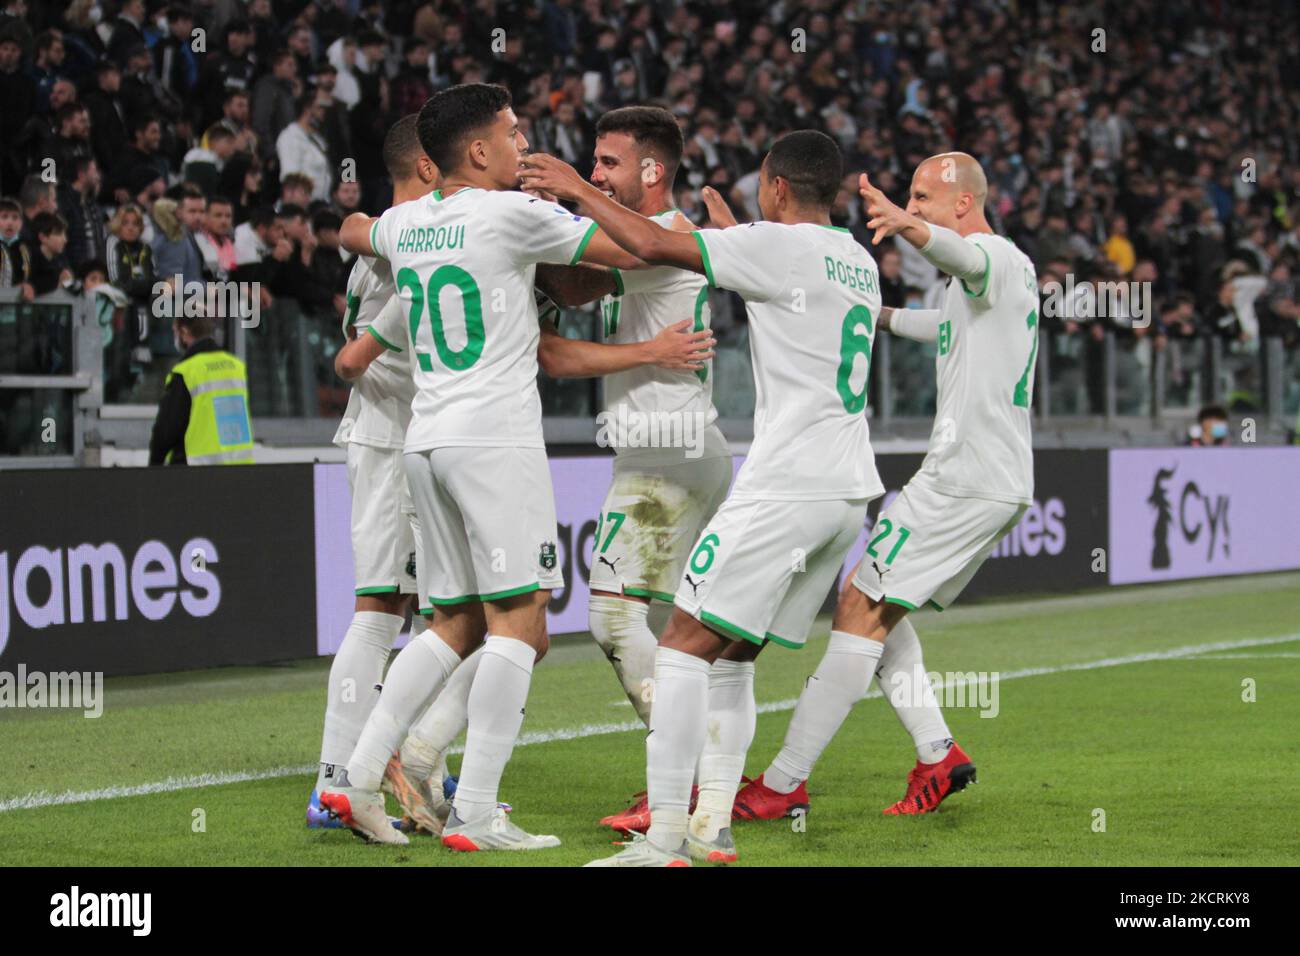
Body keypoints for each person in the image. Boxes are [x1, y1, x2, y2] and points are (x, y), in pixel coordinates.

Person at [521, 129, 885, 866]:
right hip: (849, 490)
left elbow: (656, 248)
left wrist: (575, 188)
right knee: (729, 659)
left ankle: (662, 840)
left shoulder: (773, 245)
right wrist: (731, 235)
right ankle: (712, 823)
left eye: (761, 182)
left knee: (682, 644)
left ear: (778, 187)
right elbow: (787, 284)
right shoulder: (857, 258)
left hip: (785, 483)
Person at [322, 82, 647, 852]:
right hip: (495, 442)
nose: (523, 147)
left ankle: (357, 781)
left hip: (425, 443)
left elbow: (355, 231)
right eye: (512, 134)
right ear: (477, 151)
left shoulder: (403, 227)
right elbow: (627, 250)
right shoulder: (512, 213)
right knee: (520, 622)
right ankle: (474, 816)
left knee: (451, 622)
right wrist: (577, 193)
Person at [390, 106, 725, 834]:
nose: (596, 172)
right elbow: (567, 312)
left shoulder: (672, 238)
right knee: (526, 628)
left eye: (609, 163)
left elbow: (635, 259)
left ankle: (687, 778)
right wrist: (514, 234)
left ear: (653, 171)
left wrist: (567, 192)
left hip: (673, 451)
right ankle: (418, 752)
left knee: (607, 616)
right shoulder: (631, 248)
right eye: (594, 162)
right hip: (644, 453)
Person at [737, 153, 1038, 822]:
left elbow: (967, 260)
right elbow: (947, 327)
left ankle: (784, 782)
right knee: (877, 602)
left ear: (963, 203)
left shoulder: (995, 258)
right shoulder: (989, 283)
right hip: (985, 475)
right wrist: (876, 314)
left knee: (858, 608)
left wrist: (909, 228)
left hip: (966, 476)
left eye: (924, 197)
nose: (915, 205)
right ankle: (937, 752)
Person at [148, 310, 254, 465]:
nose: (176, 337)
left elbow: (166, 430)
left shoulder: (187, 371)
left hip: (197, 470)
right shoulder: (236, 366)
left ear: (184, 332)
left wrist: (154, 465)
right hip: (239, 467)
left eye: (175, 332)